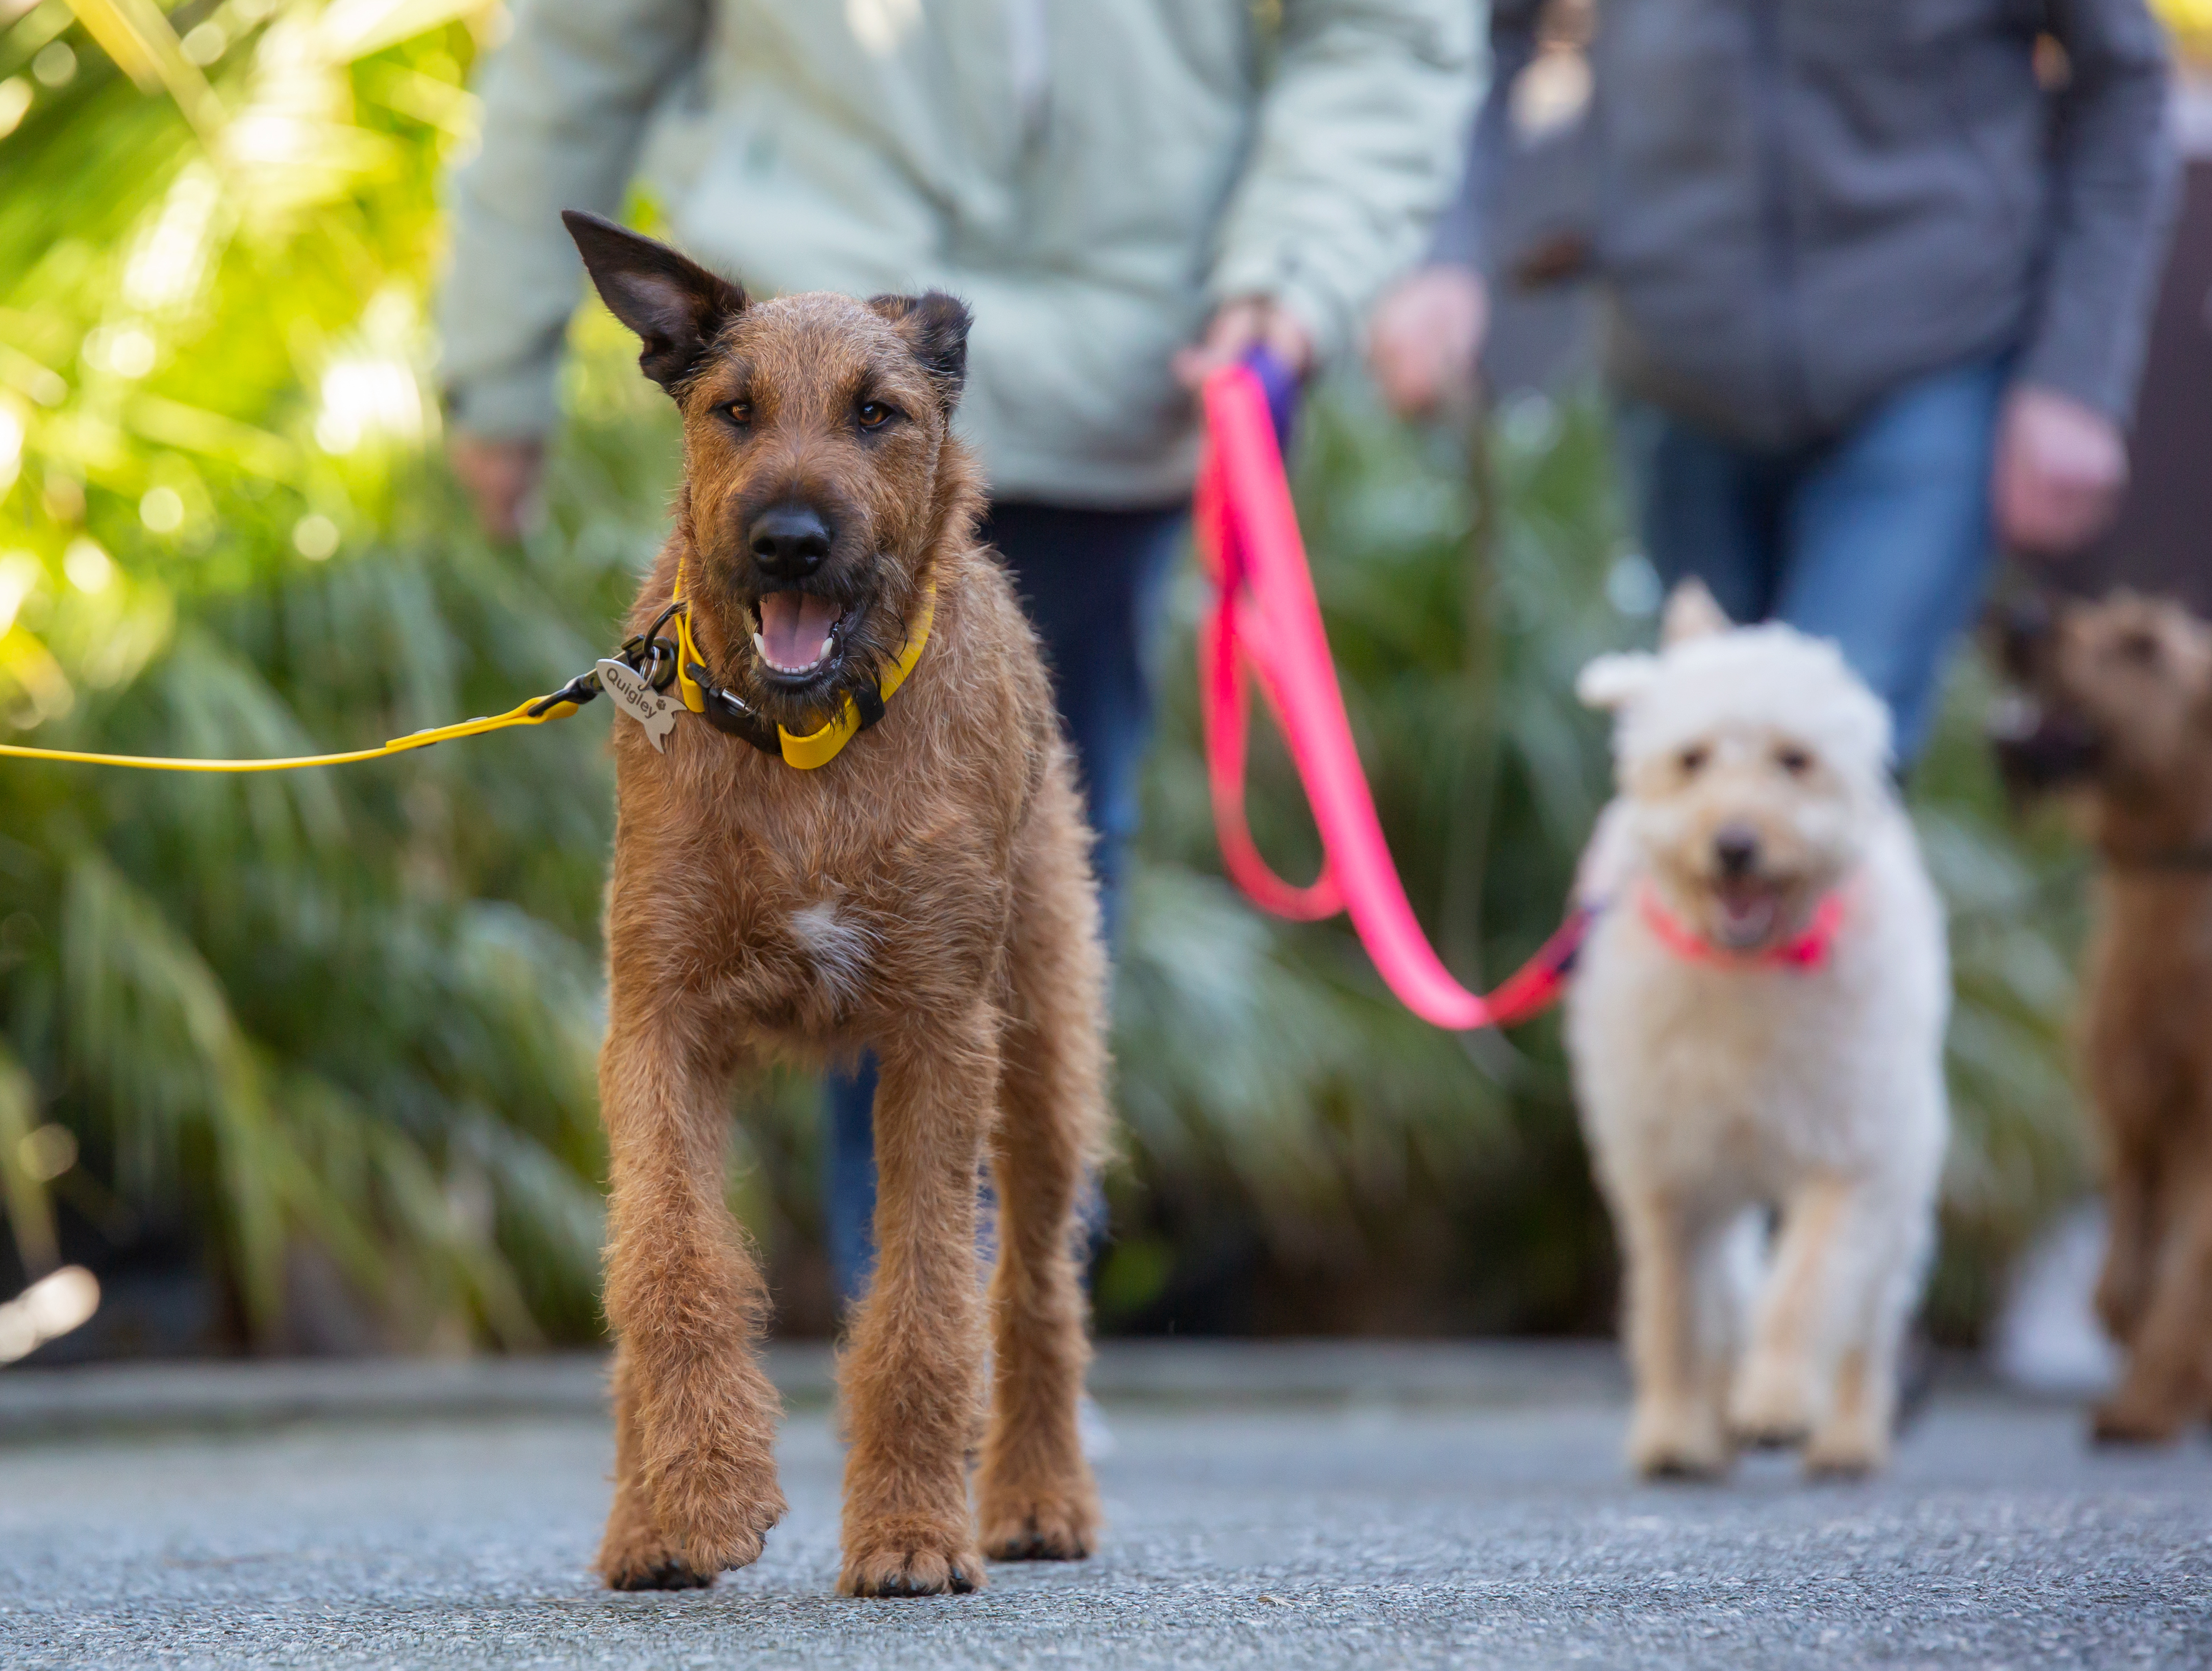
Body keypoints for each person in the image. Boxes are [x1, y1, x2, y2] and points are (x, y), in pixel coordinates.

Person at [438, 1, 1482, 1307]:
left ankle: (984, 1332)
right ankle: (917, 1361)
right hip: (799, 311)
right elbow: (584, 38)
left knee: (992, 929)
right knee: (793, 859)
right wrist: (496, 353)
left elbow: (1382, 31)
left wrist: (1294, 275)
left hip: (1133, 371)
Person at [1371, 0, 2178, 759]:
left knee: (1825, 747)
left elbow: (2126, 82)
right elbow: (1475, 30)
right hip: (1677, 369)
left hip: (1930, 356)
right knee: (1703, 749)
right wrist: (1444, 251)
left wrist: (2076, 372)